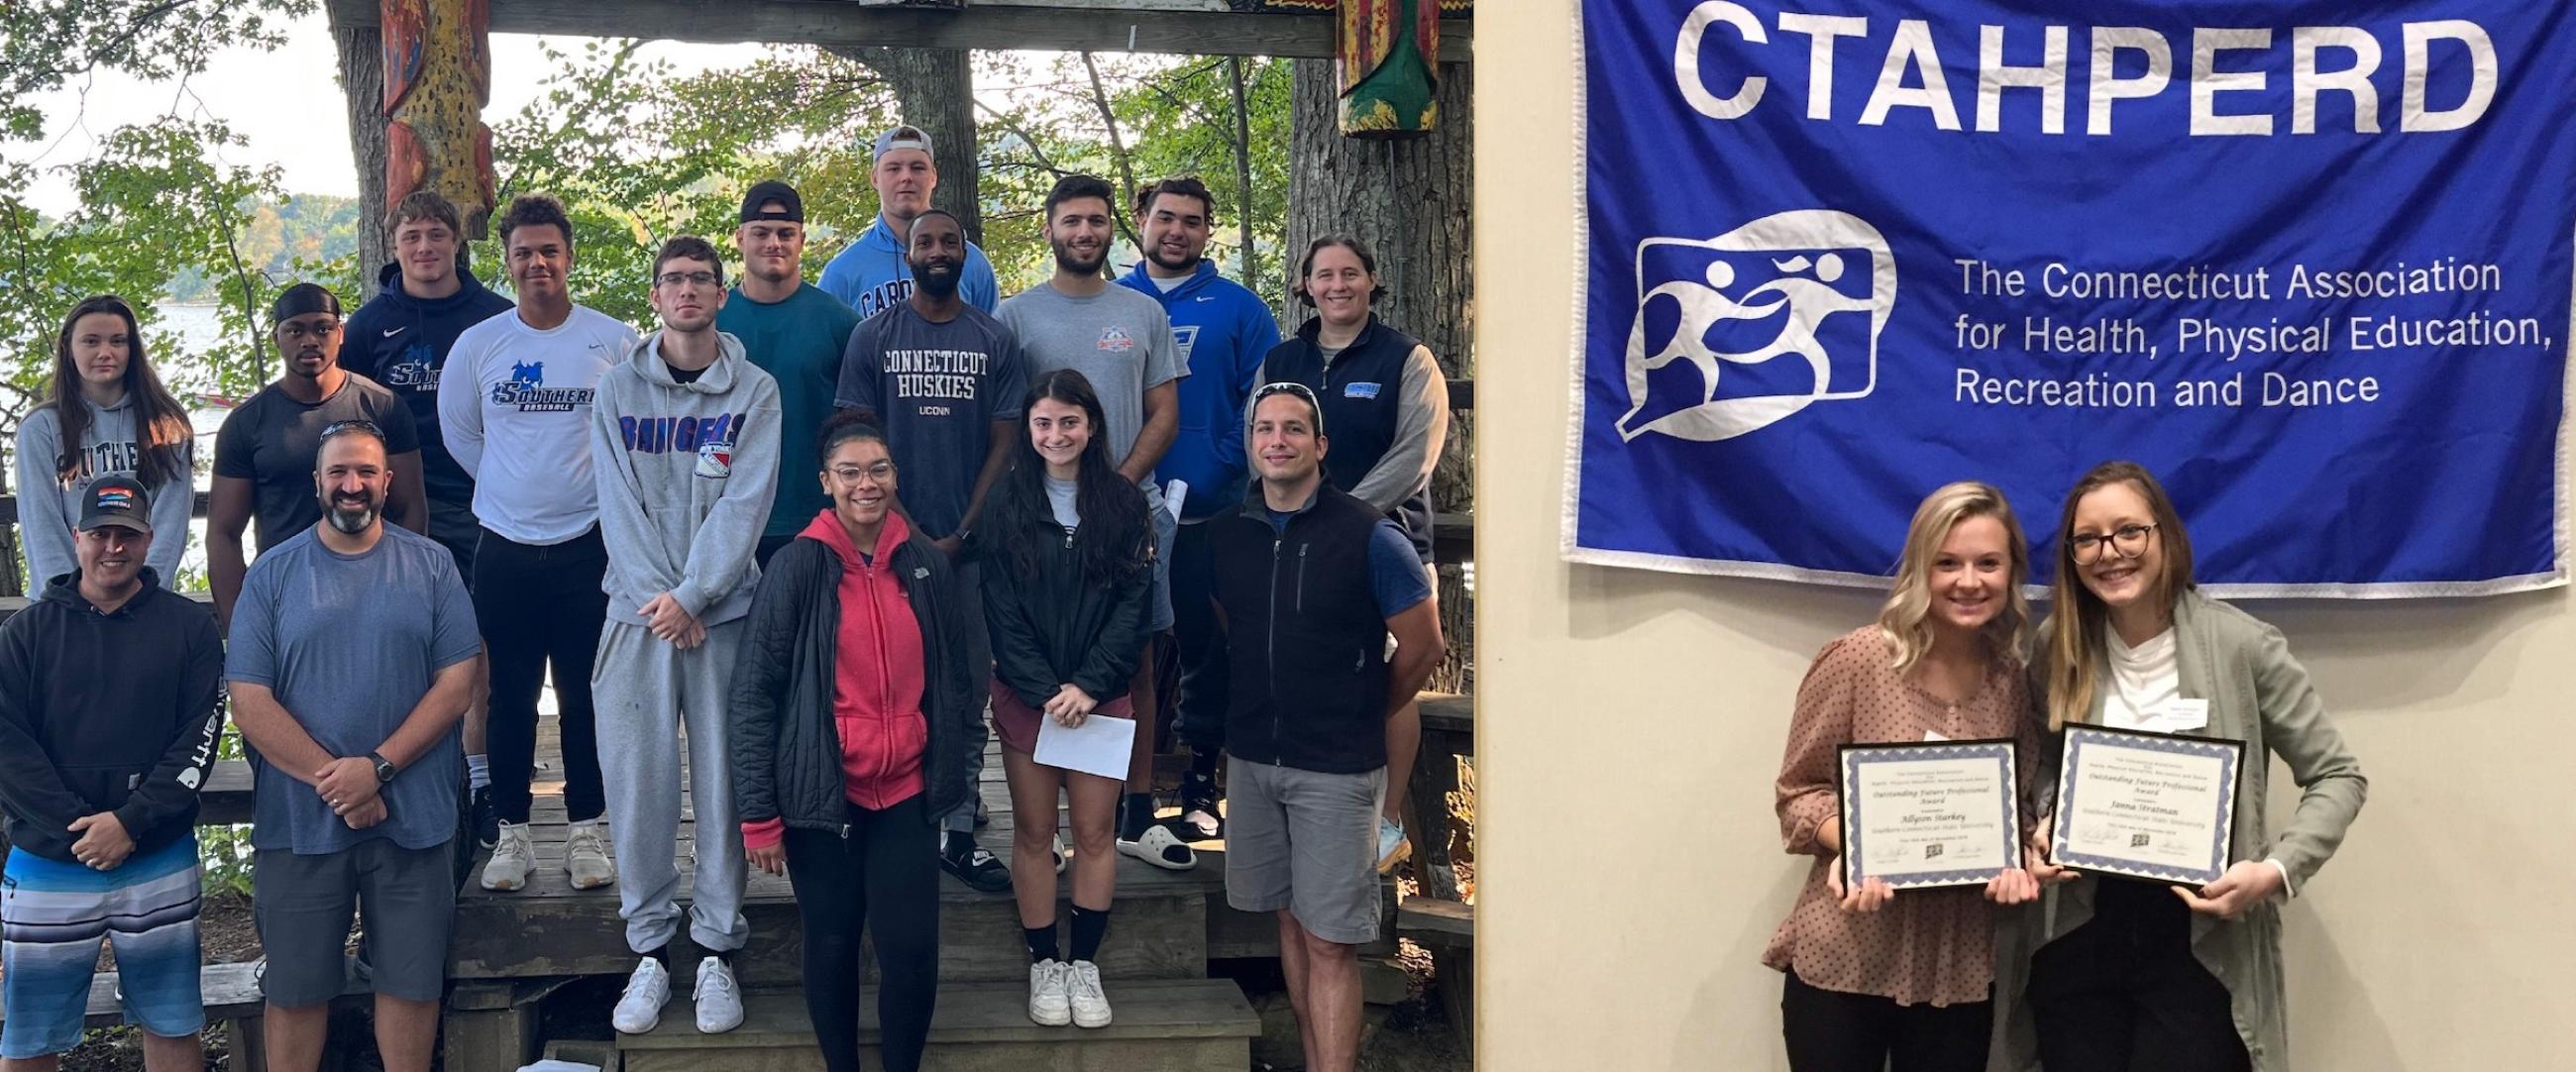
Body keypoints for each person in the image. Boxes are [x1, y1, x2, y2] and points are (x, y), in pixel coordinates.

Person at [2008, 461, 2368, 1072]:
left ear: (2165, 535)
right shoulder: (2057, 645)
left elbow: (2338, 777)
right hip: (2080, 929)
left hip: (2199, 939)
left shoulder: (2242, 645)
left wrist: (2274, 871)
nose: (2109, 553)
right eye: (2087, 539)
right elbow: (2045, 760)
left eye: (2129, 531)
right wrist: (2045, 818)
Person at [1761, 482, 2045, 1072]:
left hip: (1958, 968)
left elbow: (2013, 806)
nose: (1969, 581)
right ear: (1920, 568)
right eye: (1948, 563)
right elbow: (1798, 794)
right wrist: (1858, 847)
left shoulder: (2010, 679)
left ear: (2012, 571)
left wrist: (2020, 854)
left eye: (1988, 563)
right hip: (1848, 957)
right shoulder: (1858, 659)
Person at [730, 411, 984, 1072]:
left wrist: (954, 775)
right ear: (826, 482)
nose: (865, 484)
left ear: (895, 477)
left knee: (911, 951)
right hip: (825, 793)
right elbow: (754, 694)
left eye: (878, 470)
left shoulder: (924, 565)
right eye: (849, 472)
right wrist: (758, 816)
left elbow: (955, 681)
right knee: (832, 944)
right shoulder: (795, 567)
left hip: (906, 791)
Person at [226, 422, 481, 1072]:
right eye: (338, 471)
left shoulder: (432, 566)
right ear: (317, 482)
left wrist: (379, 768)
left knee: (412, 983)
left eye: (366, 471)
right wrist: (340, 782)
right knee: (296, 989)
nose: (352, 484)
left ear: (387, 482)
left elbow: (458, 683)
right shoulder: (272, 574)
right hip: (300, 822)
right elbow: (249, 700)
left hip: (415, 819)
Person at [1211, 382, 1442, 1072]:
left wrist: (1366, 704)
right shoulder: (1228, 536)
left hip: (1337, 767)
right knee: (1288, 920)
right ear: (1251, 444)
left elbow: (1423, 645)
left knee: (1331, 940)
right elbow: (1232, 627)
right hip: (1254, 760)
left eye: (1292, 428)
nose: (1276, 440)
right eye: (1264, 429)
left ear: (1320, 444)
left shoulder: (1371, 535)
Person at [590, 236, 783, 1035]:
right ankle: (647, 948)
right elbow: (616, 504)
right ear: (656, 296)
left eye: (702, 279)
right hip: (637, 616)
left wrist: (697, 594)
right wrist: (662, 601)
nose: (688, 291)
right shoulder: (616, 390)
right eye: (674, 280)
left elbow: (747, 503)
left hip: (724, 616)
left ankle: (714, 949)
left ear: (721, 294)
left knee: (721, 781)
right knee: (638, 780)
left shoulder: (756, 390)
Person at [440, 192, 636, 894]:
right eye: (523, 252)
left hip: (589, 546)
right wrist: (513, 483)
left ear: (569, 256)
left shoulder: (614, 341)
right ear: (508, 260)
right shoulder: (480, 345)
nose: (537, 263)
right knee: (509, 697)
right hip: (505, 547)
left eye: (549, 250)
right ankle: (513, 833)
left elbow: (634, 434)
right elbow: (462, 435)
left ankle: (586, 829)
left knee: (586, 694)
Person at [997, 173, 1192, 871]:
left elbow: (1165, 412)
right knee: (1046, 658)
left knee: (1134, 662)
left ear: (1114, 228)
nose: (1084, 232)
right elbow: (1007, 422)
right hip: (1041, 520)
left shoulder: (1142, 312)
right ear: (1049, 229)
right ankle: (1045, 827)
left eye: (1096, 221)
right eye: (1071, 220)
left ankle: (1134, 812)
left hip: (1127, 513)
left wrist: (1117, 487)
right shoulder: (1015, 317)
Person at [0, 477, 224, 1072]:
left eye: (127, 534)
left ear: (149, 540)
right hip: (49, 861)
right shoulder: (25, 633)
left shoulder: (190, 629)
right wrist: (80, 827)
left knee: (172, 1022)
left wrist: (130, 822)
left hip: (158, 855)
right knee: (29, 1037)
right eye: (100, 533)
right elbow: (7, 747)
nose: (113, 547)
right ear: (76, 537)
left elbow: (199, 739)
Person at [835, 206, 1027, 895]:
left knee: (967, 687)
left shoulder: (993, 339)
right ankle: (890, 816)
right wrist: (907, 528)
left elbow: (1008, 439)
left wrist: (964, 530)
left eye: (950, 240)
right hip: (885, 548)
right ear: (909, 254)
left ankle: (958, 826)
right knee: (886, 684)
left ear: (965, 255)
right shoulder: (873, 336)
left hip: (973, 550)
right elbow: (857, 438)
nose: (938, 250)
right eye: (926, 242)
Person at [1258, 235, 1450, 872]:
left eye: (1350, 274)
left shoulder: (1407, 359)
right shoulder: (1282, 359)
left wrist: (1338, 517)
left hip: (1386, 543)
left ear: (1371, 280)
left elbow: (1416, 453)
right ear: (1306, 285)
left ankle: (1386, 822)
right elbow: (1258, 439)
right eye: (1324, 275)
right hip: (1293, 547)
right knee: (1308, 670)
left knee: (1394, 676)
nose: (1337, 286)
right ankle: (1314, 810)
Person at [340, 189, 516, 852]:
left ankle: (482, 777)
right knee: (405, 638)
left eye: (436, 235)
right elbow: (346, 415)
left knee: (482, 640)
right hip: (395, 505)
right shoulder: (367, 326)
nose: (424, 248)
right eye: (411, 236)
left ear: (456, 242)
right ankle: (408, 764)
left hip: (482, 498)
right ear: (394, 246)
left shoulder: (493, 317)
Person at [977, 370, 1153, 1029]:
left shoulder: (1123, 504)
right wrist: (1046, 690)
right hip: (1031, 700)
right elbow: (1000, 608)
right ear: (1028, 428)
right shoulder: (1006, 503)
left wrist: (1089, 685)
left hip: (1101, 699)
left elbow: (1134, 604)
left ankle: (1084, 962)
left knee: (1095, 832)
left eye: (1069, 422)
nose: (1056, 435)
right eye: (1044, 423)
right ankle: (1043, 961)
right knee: (1033, 831)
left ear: (1092, 425)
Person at [1115, 175, 1280, 839]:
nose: (1176, 231)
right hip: (1122, 511)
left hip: (1210, 512)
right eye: (1165, 217)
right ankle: (1117, 791)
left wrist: (1222, 469)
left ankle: (1199, 787)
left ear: (1209, 230)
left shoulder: (1240, 309)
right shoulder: (1114, 301)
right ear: (1142, 220)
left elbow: (1263, 405)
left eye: (1191, 220)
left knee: (1206, 649)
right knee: (1125, 650)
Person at [210, 282, 427, 629]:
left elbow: (411, 508)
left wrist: (400, 588)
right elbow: (223, 532)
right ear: (276, 338)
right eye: (295, 330)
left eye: (323, 328)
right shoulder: (247, 423)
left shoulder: (383, 407)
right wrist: (239, 627)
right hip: (284, 596)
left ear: (340, 334)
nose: (310, 340)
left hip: (372, 590)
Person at [717, 179, 864, 566]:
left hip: (817, 517)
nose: (774, 243)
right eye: (761, 233)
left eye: (785, 233)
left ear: (802, 240)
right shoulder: (713, 321)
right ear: (740, 238)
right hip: (725, 515)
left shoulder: (841, 323)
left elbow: (862, 426)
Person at [16, 296, 196, 590]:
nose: (105, 352)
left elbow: (170, 523)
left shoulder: (166, 425)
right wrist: (66, 598)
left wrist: (144, 594)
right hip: (64, 601)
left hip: (143, 601)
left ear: (132, 349)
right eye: (91, 341)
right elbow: (41, 524)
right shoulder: (41, 428)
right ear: (68, 348)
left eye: (117, 341)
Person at [817, 125, 1000, 317]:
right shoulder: (843, 271)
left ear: (933, 177)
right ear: (875, 178)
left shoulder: (973, 263)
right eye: (894, 169)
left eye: (917, 168)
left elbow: (991, 333)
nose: (906, 177)